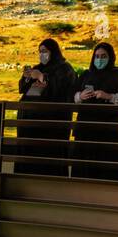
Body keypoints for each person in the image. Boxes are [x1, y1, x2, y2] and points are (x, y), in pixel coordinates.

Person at [72, 42, 118, 180]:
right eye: (97, 56)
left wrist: (109, 96)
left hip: (109, 132)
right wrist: (80, 96)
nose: (99, 59)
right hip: (86, 130)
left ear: (111, 57)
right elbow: (72, 94)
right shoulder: (86, 74)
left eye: (103, 56)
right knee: (84, 170)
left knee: (107, 169)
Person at [17, 38, 77, 177]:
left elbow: (61, 90)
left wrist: (42, 77)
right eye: (40, 51)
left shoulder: (65, 69)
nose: (41, 54)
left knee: (48, 161)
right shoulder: (39, 67)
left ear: (53, 52)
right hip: (30, 125)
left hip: (51, 127)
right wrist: (27, 77)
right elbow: (22, 89)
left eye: (44, 51)